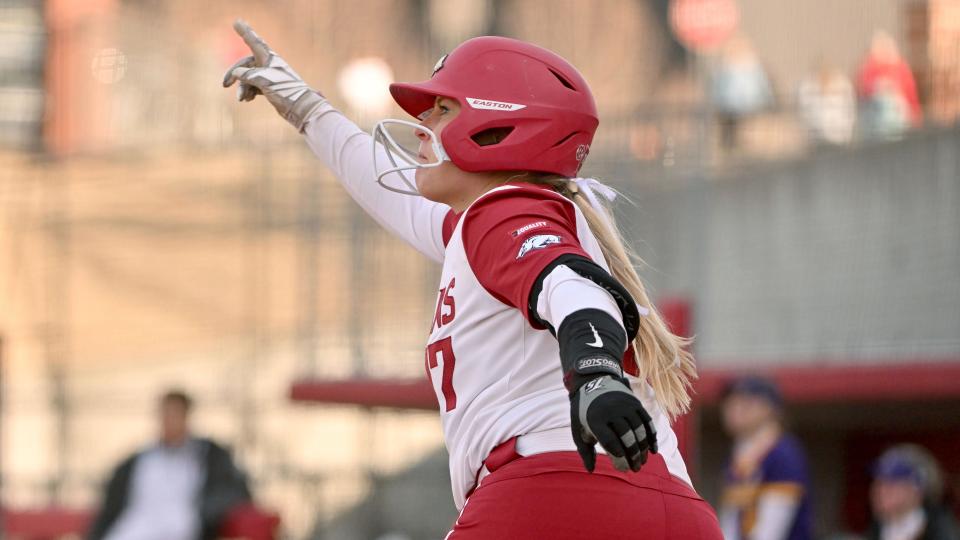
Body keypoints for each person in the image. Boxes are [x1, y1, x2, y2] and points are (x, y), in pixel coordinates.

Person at [223, 20, 722, 539]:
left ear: (496, 127)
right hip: (672, 505)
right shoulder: (495, 221)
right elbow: (382, 189)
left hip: (553, 492)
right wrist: (306, 109)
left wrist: (595, 371)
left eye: (442, 109)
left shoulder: (500, 211)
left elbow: (571, 287)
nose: (423, 126)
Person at [88, 390, 252, 540]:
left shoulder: (207, 456)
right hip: (134, 529)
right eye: (164, 414)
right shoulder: (139, 461)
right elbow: (112, 505)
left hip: (182, 530)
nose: (168, 421)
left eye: (174, 414)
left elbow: (233, 490)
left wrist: (207, 514)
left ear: (186, 416)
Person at [718, 376, 812, 540]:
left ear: (768, 408)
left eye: (744, 401)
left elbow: (770, 531)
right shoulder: (739, 454)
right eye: (730, 401)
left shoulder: (783, 454)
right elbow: (730, 523)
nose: (733, 408)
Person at [867, 444, 960, 540]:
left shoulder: (943, 531)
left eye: (891, 483)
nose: (880, 490)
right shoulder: (875, 531)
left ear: (917, 491)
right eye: (878, 482)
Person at [856, 30, 922, 139]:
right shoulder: (869, 69)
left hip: (898, 121)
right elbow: (863, 91)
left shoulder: (901, 68)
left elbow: (911, 96)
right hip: (877, 123)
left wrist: (914, 116)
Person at [797, 60, 856, 146]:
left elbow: (849, 111)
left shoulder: (842, 84)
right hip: (817, 139)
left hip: (839, 137)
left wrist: (846, 132)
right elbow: (804, 113)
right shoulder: (808, 86)